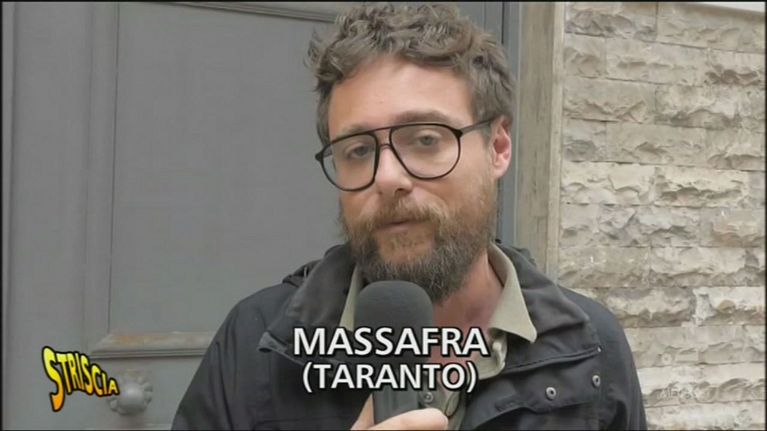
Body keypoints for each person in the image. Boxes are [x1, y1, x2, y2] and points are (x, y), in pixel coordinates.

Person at [172, 3, 647, 430]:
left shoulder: (590, 348)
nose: (387, 178)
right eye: (358, 150)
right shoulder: (256, 343)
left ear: (498, 147)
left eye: (425, 139)